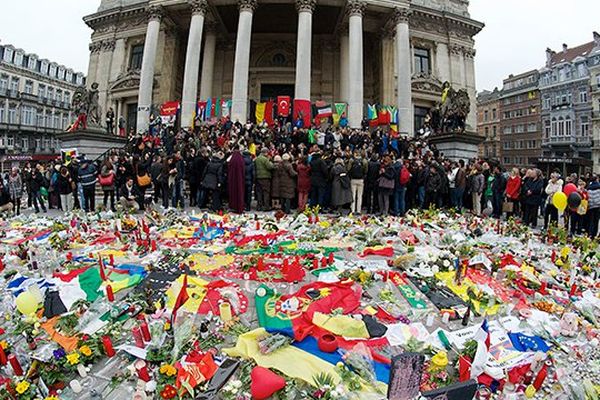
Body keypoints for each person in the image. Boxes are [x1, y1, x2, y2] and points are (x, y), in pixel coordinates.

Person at [227, 148, 246, 214]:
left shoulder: (232, 160)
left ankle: (233, 206)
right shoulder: (241, 160)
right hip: (240, 179)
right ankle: (239, 207)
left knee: (233, 193)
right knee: (240, 192)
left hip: (232, 180)